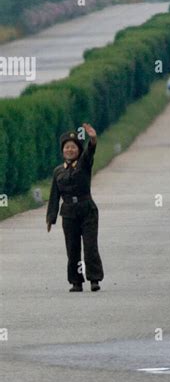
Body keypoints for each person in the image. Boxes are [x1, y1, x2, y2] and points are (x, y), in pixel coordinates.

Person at [46, 123, 104, 292]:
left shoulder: (84, 164)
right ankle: (76, 281)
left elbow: (90, 151)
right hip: (69, 213)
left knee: (90, 246)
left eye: (73, 147)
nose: (70, 150)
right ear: (63, 151)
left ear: (78, 150)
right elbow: (54, 196)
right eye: (66, 147)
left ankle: (94, 279)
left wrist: (92, 138)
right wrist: (51, 218)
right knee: (72, 249)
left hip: (87, 211)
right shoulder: (58, 172)